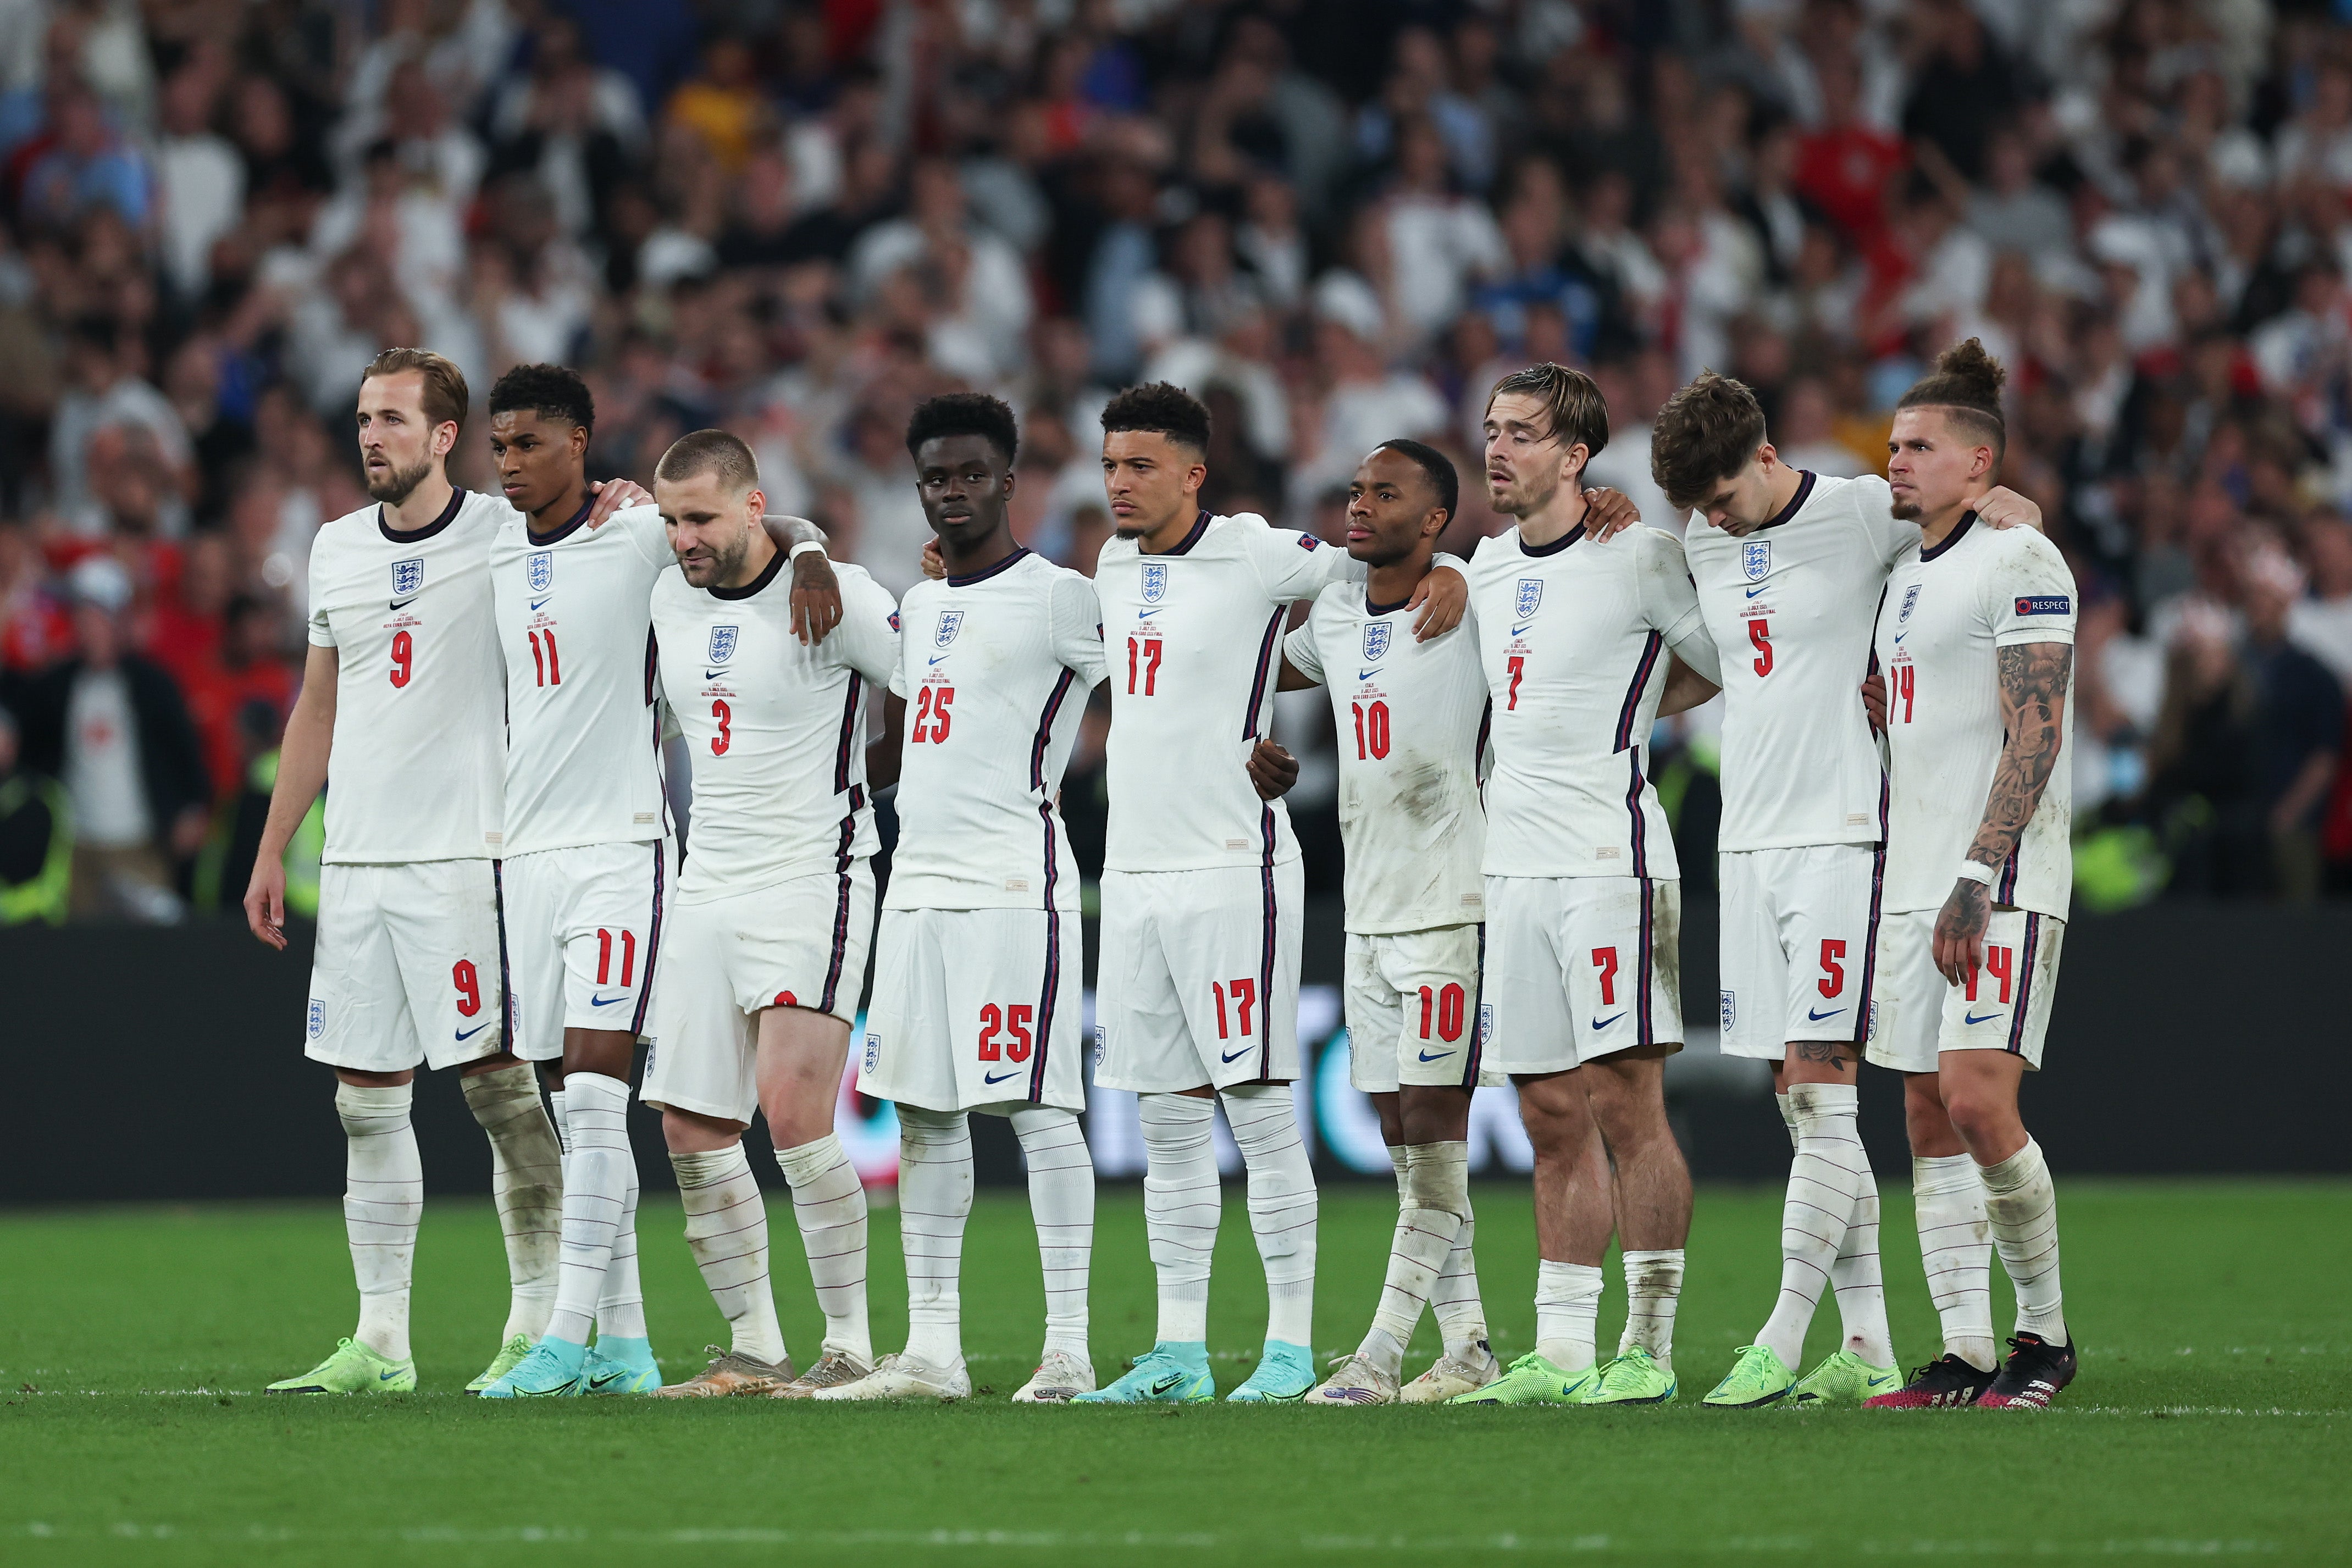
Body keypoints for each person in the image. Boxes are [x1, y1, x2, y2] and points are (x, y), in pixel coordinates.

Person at [244, 348, 637, 1395]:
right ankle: (380, 1343)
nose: (370, 435)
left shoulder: (507, 531)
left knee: (504, 1097)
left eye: (391, 419)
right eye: (362, 417)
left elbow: (627, 528)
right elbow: (316, 706)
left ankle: (537, 1325)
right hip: (361, 861)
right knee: (364, 1105)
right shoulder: (333, 548)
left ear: (443, 436)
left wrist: (637, 497)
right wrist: (277, 843)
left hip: (473, 856)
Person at [1645, 368, 2039, 1408]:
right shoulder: (1697, 538)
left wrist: (2017, 505)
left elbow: (1979, 549)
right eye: (1700, 506)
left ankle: (1778, 1333)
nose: (1715, 517)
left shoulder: (1866, 511)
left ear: (1766, 456)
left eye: (1724, 494)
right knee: (1799, 1103)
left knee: (1823, 1093)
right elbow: (1722, 663)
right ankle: (1863, 1338)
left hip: (1847, 838)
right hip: (1748, 843)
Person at [1072, 383, 1465, 1404]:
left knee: (1254, 1109)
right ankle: (1177, 1350)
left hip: (1231, 872)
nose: (1118, 482)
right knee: (1164, 1123)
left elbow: (1381, 553)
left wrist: (1460, 565)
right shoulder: (1111, 564)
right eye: (1110, 463)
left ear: (1191, 474)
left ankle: (1288, 1345)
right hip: (1135, 873)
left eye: (1140, 465)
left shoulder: (1254, 550)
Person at [471, 365, 840, 1398]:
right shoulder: (496, 541)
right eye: (498, 445)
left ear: (582, 443)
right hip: (527, 857)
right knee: (564, 1105)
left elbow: (758, 526)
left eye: (529, 443)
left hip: (622, 849)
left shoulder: (639, 530)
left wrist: (810, 553)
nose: (508, 463)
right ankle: (625, 1349)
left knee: (595, 1101)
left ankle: (562, 1330)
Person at [1452, 363, 1721, 1408]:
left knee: (1624, 1101)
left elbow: (1725, 660)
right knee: (1547, 1111)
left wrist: (1633, 705)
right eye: (1490, 428)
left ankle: (1645, 1346)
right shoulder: (1476, 568)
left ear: (1574, 455)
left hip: (1610, 860)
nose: (1496, 447)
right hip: (1510, 868)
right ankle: (1561, 1347)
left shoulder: (1639, 554)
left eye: (1521, 432)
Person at [827, 393, 1104, 1403]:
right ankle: (933, 1351)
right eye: (935, 477)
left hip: (1009, 886)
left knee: (1037, 1108)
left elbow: (1166, 684)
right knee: (924, 1118)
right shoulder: (926, 603)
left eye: (970, 474)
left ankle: (1067, 1345)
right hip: (916, 891)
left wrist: (1236, 748)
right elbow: (907, 749)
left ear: (1007, 480)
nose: (952, 491)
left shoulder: (1062, 597)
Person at [640, 429, 901, 1399]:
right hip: (705, 883)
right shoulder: (668, 589)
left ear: (752, 505)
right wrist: (803, 538)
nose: (682, 538)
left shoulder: (836, 594)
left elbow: (932, 684)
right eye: (670, 520)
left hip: (813, 873)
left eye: (701, 516)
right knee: (691, 1129)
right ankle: (754, 1348)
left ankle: (849, 1345)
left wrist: (813, 551)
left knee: (793, 1115)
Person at [1853, 341, 2080, 1409]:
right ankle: (1965, 1351)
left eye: (1918, 448)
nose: (1896, 462)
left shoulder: (2021, 561)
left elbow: (2035, 728)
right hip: (1909, 879)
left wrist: (1981, 870)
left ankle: (2045, 1334)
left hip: (1996, 877)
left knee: (1979, 1101)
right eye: (1893, 446)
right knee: (1925, 1117)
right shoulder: (1903, 577)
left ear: (1978, 462)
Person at [1261, 439, 1503, 1406]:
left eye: (1384, 493)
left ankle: (1378, 1354)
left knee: (1435, 1125)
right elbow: (1245, 664)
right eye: (1353, 489)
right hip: (1367, 910)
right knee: (1402, 1129)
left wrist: (1457, 575)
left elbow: (1543, 565)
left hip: (1453, 900)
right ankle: (1470, 1341)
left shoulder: (1476, 597)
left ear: (1436, 518)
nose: (1358, 505)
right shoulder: (1328, 610)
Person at [14, 556, 209, 922]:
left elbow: (187, 751)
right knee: (82, 957)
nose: (86, 628)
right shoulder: (58, 685)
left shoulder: (153, 685)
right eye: (80, 618)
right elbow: (29, 742)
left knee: (146, 956)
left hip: (140, 845)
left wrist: (192, 807)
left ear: (118, 620)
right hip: (77, 849)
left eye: (95, 617)